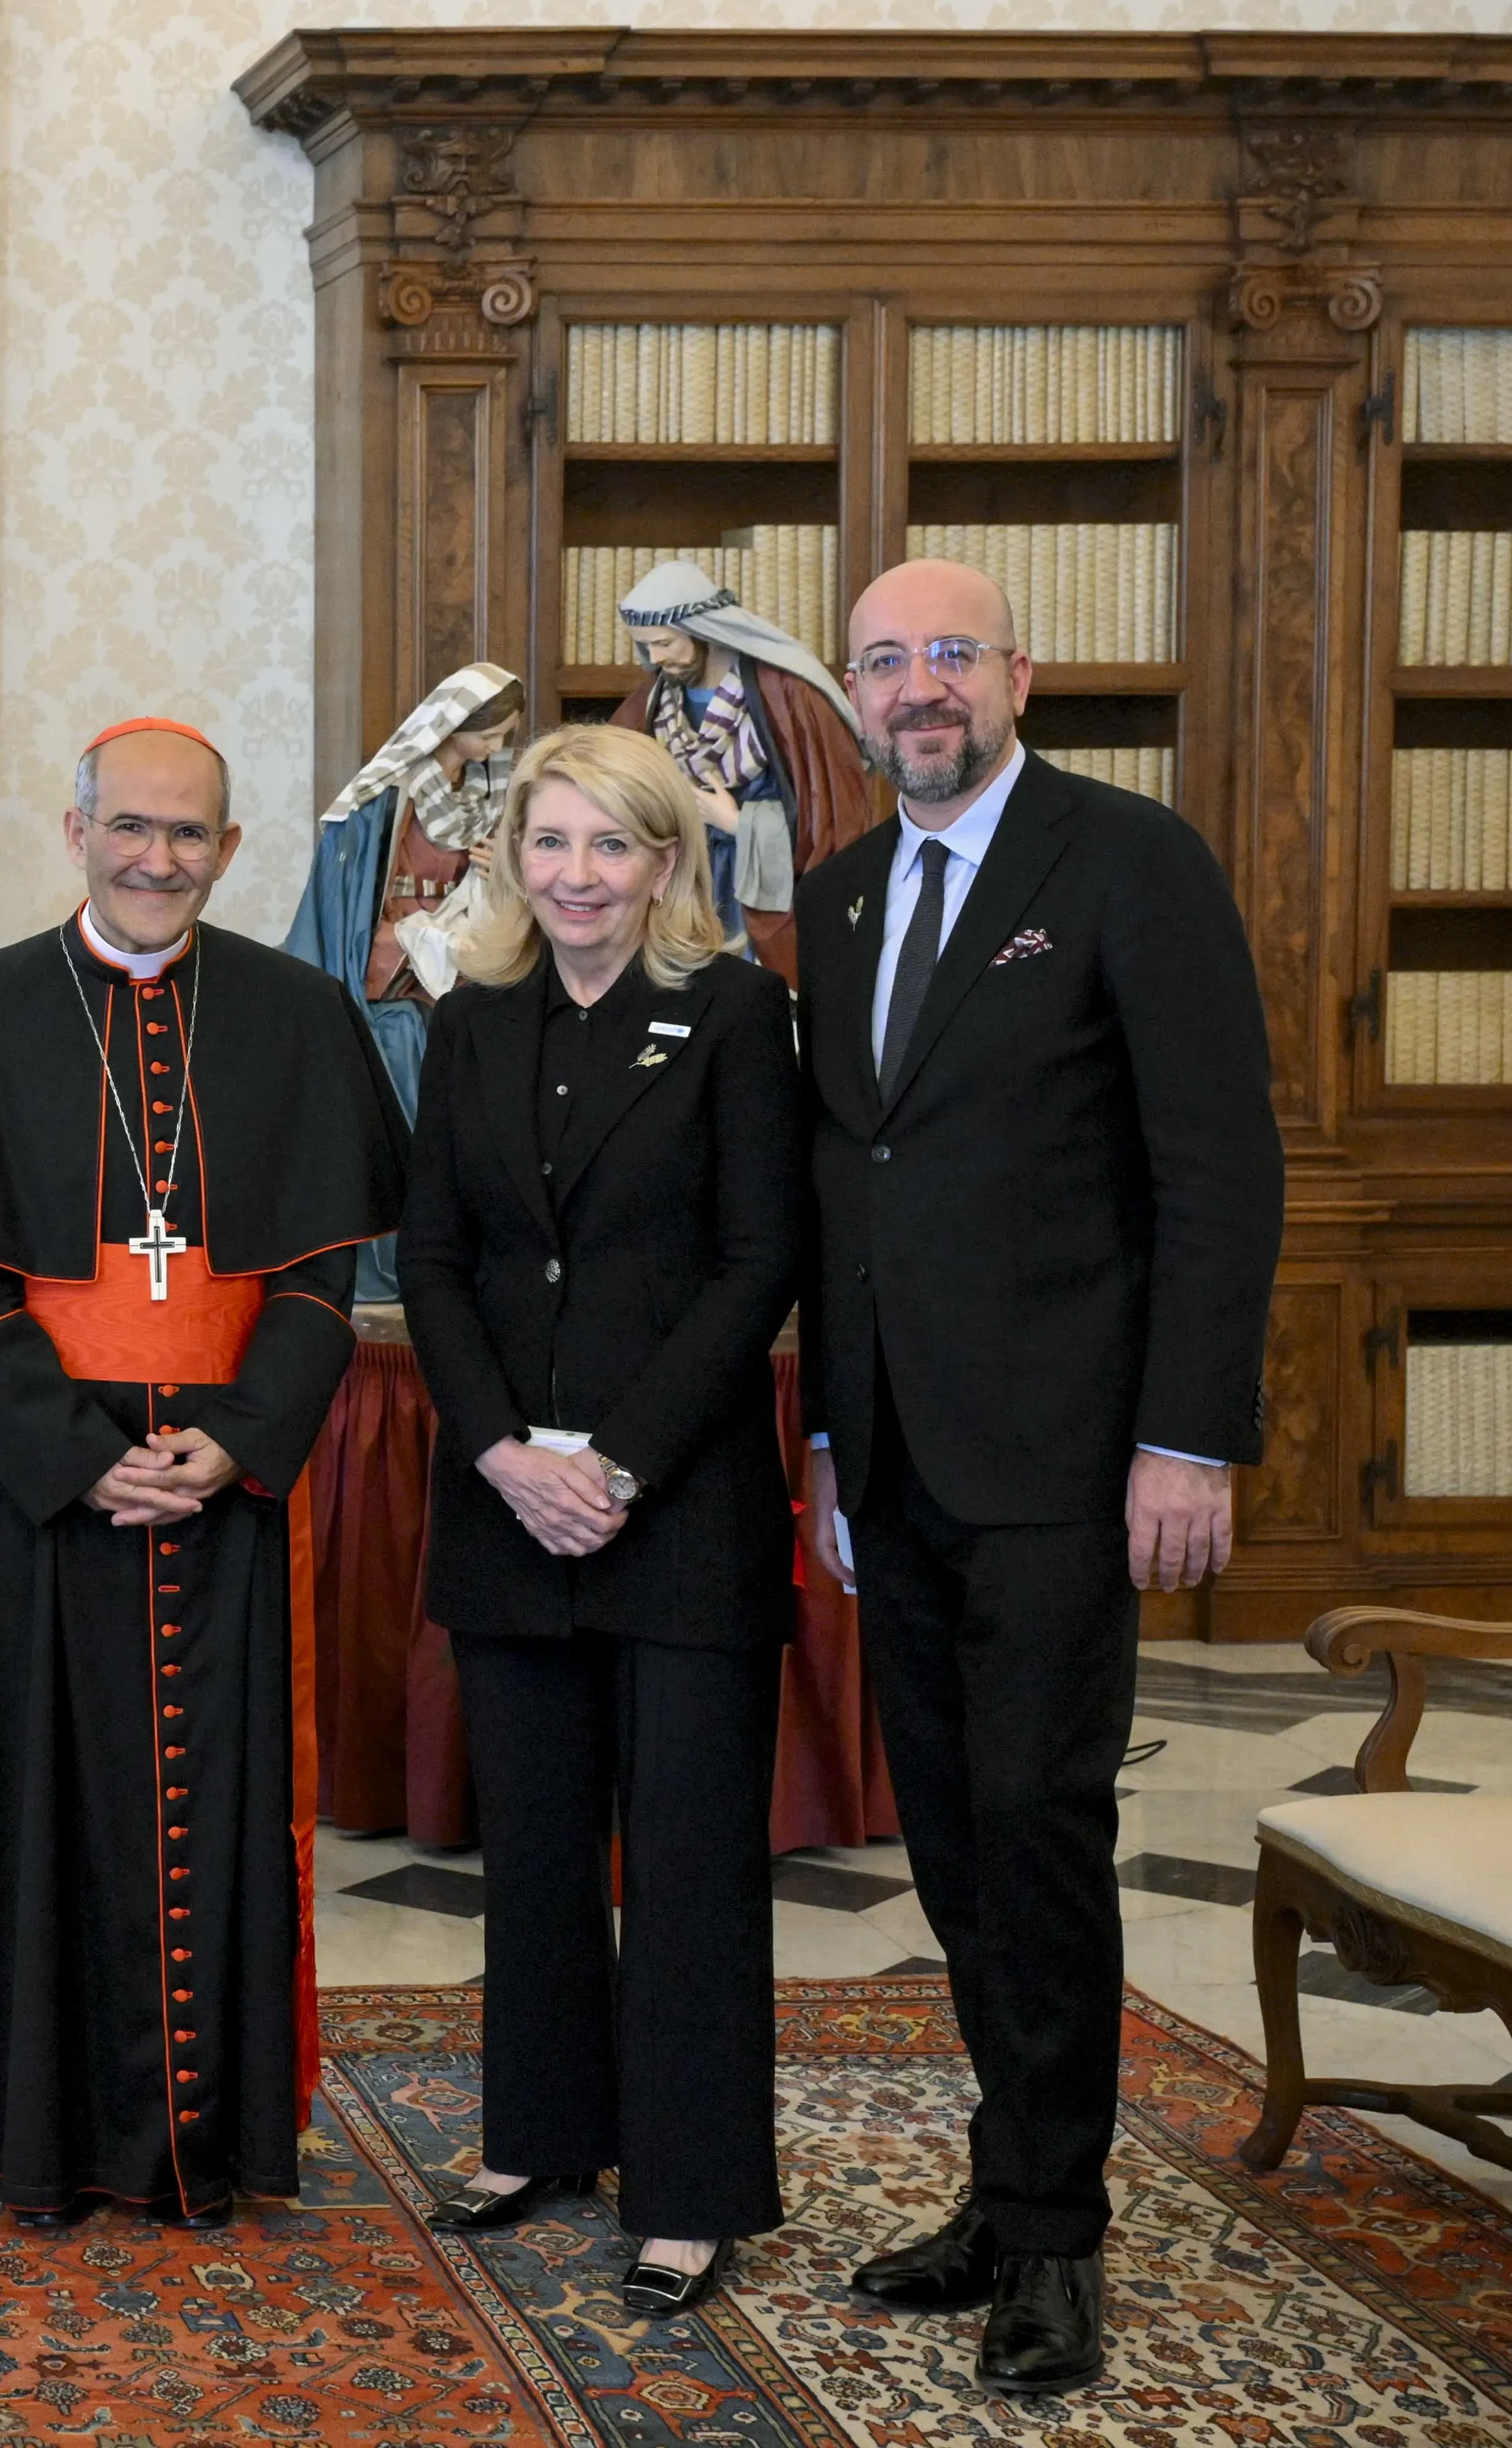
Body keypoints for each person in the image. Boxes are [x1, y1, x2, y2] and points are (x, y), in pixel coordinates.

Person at [794, 558, 1281, 2398]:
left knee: (1039, 1830)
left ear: (1019, 676)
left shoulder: (1130, 863)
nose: (917, 687)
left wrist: (1187, 1435)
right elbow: (848, 1181)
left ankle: (1057, 2241)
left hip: (1069, 1459)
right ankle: (1003, 2195)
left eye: (950, 655)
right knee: (949, 1842)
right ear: (849, 694)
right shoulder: (840, 896)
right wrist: (827, 1436)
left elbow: (1216, 1169)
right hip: (893, 1456)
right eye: (883, 661)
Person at [0, 720, 404, 2226]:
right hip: (30, 1490)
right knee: (21, 1806)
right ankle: (19, 2133)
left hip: (229, 1479)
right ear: (76, 830)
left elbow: (321, 1271)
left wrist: (240, 1434)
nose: (158, 860)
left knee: (222, 1813)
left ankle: (209, 2141)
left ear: (229, 849)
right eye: (131, 828)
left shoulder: (296, 1015)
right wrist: (82, 1458)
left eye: (189, 834)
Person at [390, 723, 810, 2312]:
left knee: (689, 1860)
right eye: (550, 841)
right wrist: (502, 1451)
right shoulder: (474, 1016)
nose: (576, 874)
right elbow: (433, 1260)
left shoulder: (733, 1013)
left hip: (678, 1505)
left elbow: (757, 1263)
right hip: (507, 1504)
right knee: (536, 1847)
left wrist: (617, 1462)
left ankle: (690, 2186)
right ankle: (543, 2136)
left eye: (609, 844)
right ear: (512, 852)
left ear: (663, 861)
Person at [282, 665, 523, 1304]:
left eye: (505, 736)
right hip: (395, 970)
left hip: (462, 950)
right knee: (405, 1097)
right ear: (452, 727)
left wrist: (498, 871)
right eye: (488, 735)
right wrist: (409, 943)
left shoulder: (482, 788)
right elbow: (353, 900)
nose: (497, 749)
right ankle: (398, 1258)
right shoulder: (388, 795)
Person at [611, 558, 868, 981]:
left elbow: (832, 816)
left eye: (665, 643)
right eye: (646, 647)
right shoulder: (657, 699)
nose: (655, 659)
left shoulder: (785, 694)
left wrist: (738, 823)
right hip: (684, 878)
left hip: (762, 891)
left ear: (702, 630)